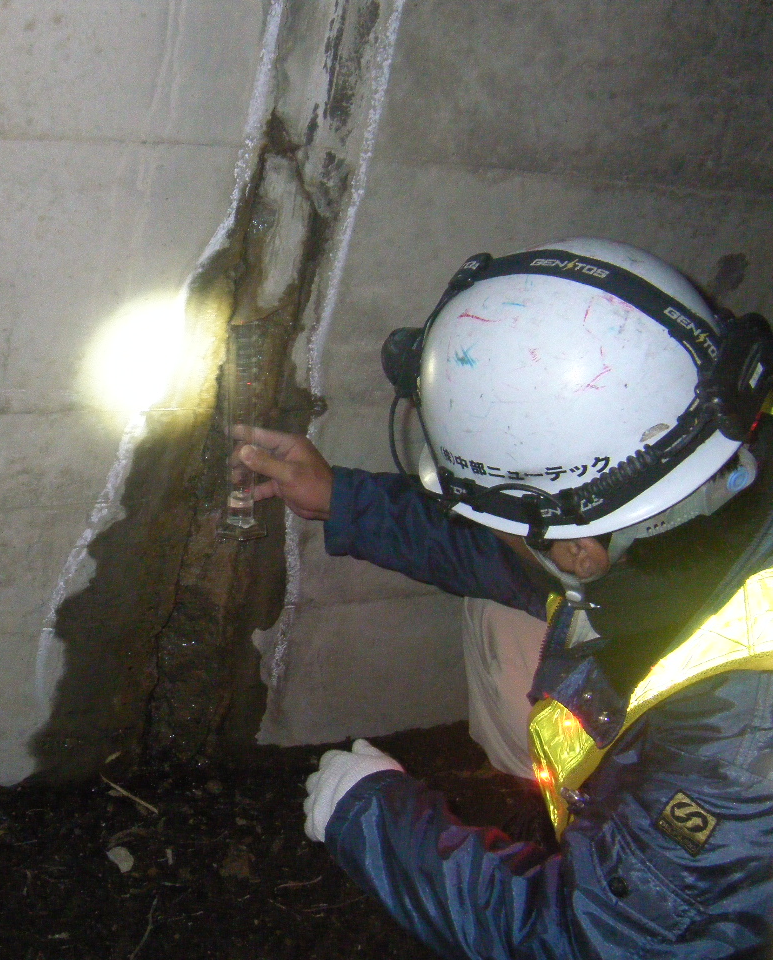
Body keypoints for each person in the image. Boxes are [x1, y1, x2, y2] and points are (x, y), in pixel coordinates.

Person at [238, 238, 773, 958]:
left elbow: (603, 947)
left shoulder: (740, 747)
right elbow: (509, 562)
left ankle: (606, 847)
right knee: (502, 609)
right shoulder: (698, 477)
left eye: (500, 522)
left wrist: (374, 819)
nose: (486, 535)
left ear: (580, 550)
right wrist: (342, 499)